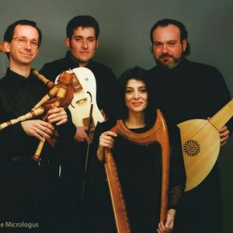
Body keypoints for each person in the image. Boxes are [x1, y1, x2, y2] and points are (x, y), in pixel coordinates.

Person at [146, 18, 233, 233]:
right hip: (159, 181)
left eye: (171, 43)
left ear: (184, 44)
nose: (164, 50)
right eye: (158, 45)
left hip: (203, 181)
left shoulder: (208, 76)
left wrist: (225, 131)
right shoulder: (144, 82)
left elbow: (228, 116)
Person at [39, 15, 117, 232]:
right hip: (61, 156)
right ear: (68, 41)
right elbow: (43, 114)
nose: (85, 45)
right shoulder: (50, 70)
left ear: (97, 43)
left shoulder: (107, 75)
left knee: (94, 214)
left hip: (96, 158)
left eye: (90, 39)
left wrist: (101, 124)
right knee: (61, 213)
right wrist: (71, 132)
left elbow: (115, 114)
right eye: (78, 38)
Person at [86, 67, 186, 233]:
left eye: (142, 91)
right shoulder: (107, 129)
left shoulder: (169, 132)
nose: (136, 96)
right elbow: (91, 180)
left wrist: (171, 212)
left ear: (150, 94)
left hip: (154, 216)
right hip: (111, 216)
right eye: (129, 91)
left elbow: (178, 178)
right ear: (122, 96)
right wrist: (99, 152)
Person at [0, 20, 76, 233]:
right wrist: (21, 129)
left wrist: (65, 120)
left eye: (34, 42)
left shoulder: (47, 89)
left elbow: (67, 137)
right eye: (21, 40)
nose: (28, 46)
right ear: (6, 46)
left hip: (47, 183)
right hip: (9, 184)